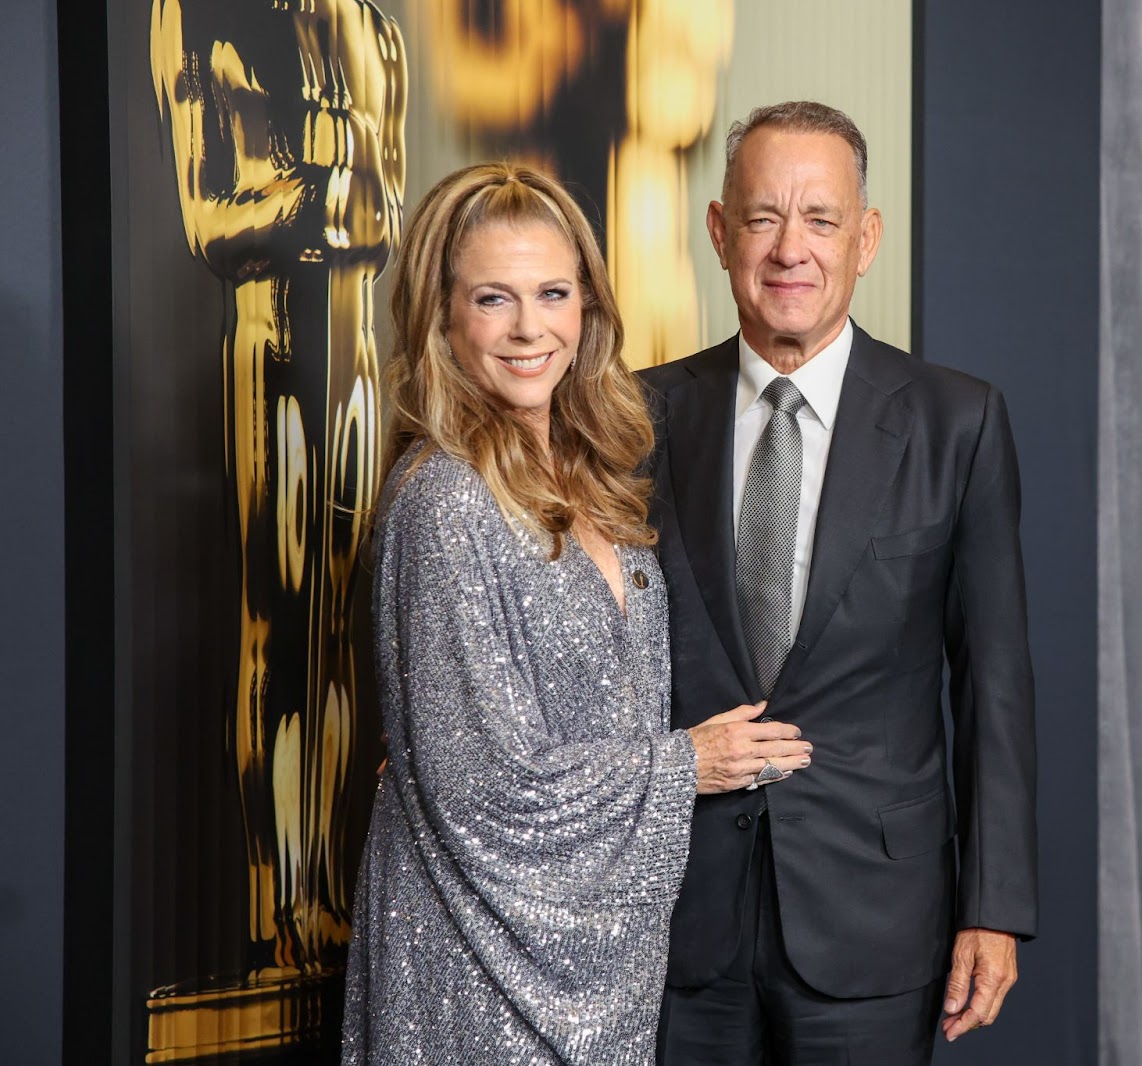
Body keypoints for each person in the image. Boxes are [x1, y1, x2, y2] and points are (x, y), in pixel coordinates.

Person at [341, 162, 810, 1065]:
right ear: (442, 317)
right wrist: (686, 766)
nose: (529, 329)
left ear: (588, 308)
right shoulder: (445, 500)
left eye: (554, 293)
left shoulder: (600, 475)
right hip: (473, 962)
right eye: (492, 298)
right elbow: (479, 787)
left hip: (595, 961)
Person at [642, 102, 1039, 1064]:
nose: (790, 249)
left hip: (877, 916)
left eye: (820, 220)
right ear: (719, 232)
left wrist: (995, 907)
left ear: (866, 241)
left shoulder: (959, 424)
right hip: (672, 917)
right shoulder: (636, 417)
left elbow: (992, 682)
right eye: (763, 217)